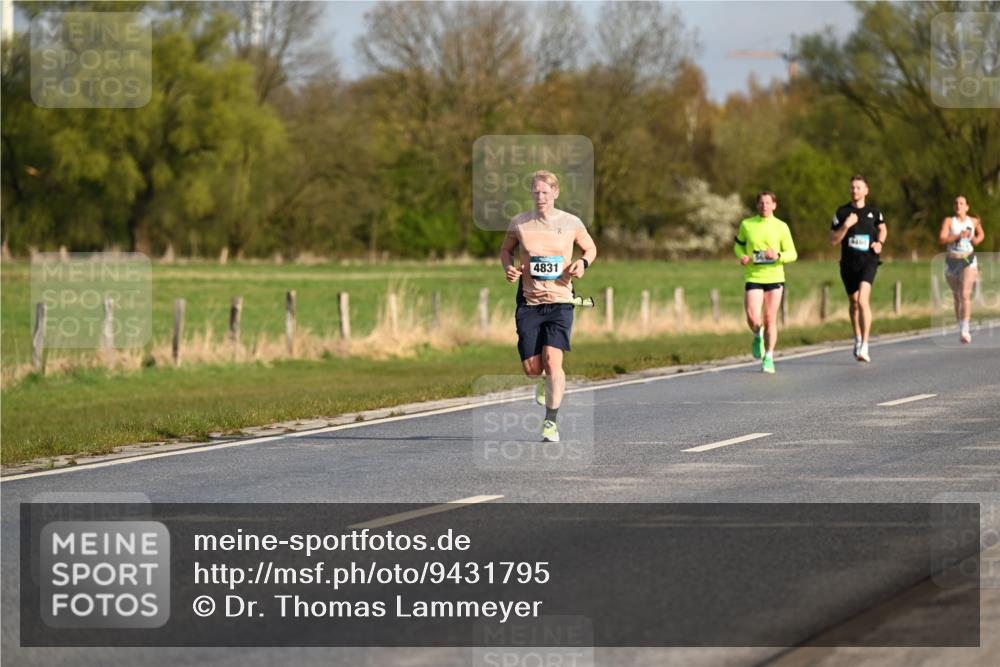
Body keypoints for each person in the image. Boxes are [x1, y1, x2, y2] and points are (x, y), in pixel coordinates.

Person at [500, 170, 597, 443]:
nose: (540, 197)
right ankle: (544, 382)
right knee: (532, 369)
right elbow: (506, 250)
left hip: (561, 301)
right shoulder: (520, 223)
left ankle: (550, 422)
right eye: (536, 192)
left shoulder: (571, 222)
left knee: (554, 361)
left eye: (545, 192)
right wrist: (508, 268)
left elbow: (590, 249)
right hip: (529, 303)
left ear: (555, 193)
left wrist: (583, 263)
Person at [734, 191, 798, 373]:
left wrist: (777, 255)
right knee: (752, 316)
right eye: (761, 203)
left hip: (774, 277)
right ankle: (757, 334)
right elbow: (738, 244)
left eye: (768, 203)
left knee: (770, 318)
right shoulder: (747, 224)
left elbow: (792, 254)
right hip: (753, 276)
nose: (764, 206)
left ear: (774, 205)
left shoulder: (781, 227)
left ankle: (768, 356)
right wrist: (742, 256)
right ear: (757, 206)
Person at [830, 174, 887, 362]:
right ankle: (857, 337)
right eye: (852, 187)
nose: (855, 190)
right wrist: (846, 225)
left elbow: (883, 228)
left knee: (863, 300)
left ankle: (865, 346)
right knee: (854, 303)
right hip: (848, 264)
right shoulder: (841, 212)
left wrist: (880, 242)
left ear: (866, 190)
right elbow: (833, 240)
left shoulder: (874, 211)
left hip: (869, 261)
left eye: (858, 187)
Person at [938, 195, 985, 343]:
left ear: (967, 207)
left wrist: (976, 239)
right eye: (956, 203)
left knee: (964, 294)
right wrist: (958, 236)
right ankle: (961, 326)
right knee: (957, 296)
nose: (958, 205)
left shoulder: (973, 221)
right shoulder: (949, 221)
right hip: (952, 260)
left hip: (968, 260)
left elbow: (981, 234)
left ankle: (965, 330)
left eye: (961, 203)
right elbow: (941, 239)